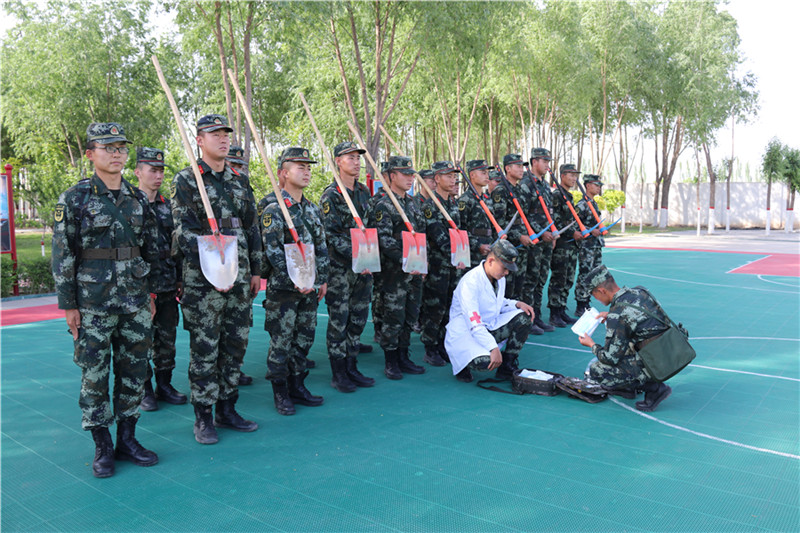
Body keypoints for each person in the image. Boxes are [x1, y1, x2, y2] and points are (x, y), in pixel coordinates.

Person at [52, 122, 161, 478]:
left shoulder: (137, 198)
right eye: (107, 147)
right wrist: (69, 305)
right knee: (94, 376)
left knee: (134, 372)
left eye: (120, 148)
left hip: (133, 301)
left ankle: (128, 440)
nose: (116, 153)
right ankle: (102, 446)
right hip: (93, 304)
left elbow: (149, 250)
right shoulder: (74, 198)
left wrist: (150, 294)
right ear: (90, 154)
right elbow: (63, 254)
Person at [171, 114, 262, 444]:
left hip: (239, 279)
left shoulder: (239, 181)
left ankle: (227, 407)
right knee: (206, 348)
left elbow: (252, 227)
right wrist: (213, 263)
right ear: (200, 140)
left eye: (225, 134)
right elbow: (183, 231)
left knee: (235, 345)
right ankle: (203, 416)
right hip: (204, 281)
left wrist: (256, 270)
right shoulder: (187, 180)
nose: (223, 139)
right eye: (214, 134)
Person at [261, 147, 329, 415]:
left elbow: (321, 246)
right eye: (299, 166)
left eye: (308, 166)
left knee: (304, 338)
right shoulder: (274, 209)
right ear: (283, 173)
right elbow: (273, 250)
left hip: (309, 288)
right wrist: (296, 277)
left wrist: (321, 278)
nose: (306, 171)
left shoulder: (311, 209)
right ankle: (280, 391)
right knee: (282, 340)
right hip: (284, 290)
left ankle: (298, 385)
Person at [133, 147, 187, 411]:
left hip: (166, 285)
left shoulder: (167, 206)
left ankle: (164, 385)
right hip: (141, 288)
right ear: (137, 172)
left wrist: (178, 278)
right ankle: (144, 389)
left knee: (167, 339)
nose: (158, 175)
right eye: (152, 170)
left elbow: (175, 247)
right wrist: (144, 292)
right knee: (141, 340)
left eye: (161, 170)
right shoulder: (130, 205)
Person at [319, 141, 375, 393]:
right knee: (339, 320)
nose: (356, 161)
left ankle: (352, 365)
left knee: (358, 318)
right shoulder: (331, 195)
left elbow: (370, 227)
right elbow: (330, 234)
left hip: (365, 268)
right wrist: (357, 255)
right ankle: (338, 371)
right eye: (349, 157)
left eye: (357, 157)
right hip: (341, 269)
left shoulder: (363, 192)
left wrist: (370, 257)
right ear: (337, 162)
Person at [578, 264, 673, 412]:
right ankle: (628, 389)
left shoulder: (618, 313)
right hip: (670, 350)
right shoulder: (639, 291)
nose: (594, 298)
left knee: (597, 370)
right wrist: (610, 316)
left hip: (658, 362)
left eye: (593, 294)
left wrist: (591, 345)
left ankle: (655, 388)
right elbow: (639, 318)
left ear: (601, 290)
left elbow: (610, 358)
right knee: (625, 346)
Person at [367, 155, 426, 379]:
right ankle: (391, 360)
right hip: (394, 273)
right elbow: (384, 240)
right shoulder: (383, 204)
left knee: (411, 314)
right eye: (405, 174)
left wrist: (421, 261)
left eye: (412, 174)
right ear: (392, 176)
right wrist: (405, 261)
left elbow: (420, 235)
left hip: (415, 271)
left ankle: (404, 355)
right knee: (394, 315)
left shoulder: (411, 203)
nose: (410, 178)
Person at [444, 240, 534, 383]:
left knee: (524, 318)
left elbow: (495, 302)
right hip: (466, 332)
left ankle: (506, 366)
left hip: (487, 326)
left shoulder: (498, 276)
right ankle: (463, 366)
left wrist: (516, 304)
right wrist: (493, 348)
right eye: (504, 268)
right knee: (486, 363)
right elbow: (474, 323)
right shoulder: (471, 282)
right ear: (491, 261)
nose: (506, 272)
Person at [419, 160, 467, 367]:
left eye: (454, 175)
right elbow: (439, 237)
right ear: (436, 179)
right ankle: (430, 347)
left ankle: (442, 344)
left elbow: (460, 233)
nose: (453, 179)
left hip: (455, 266)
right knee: (435, 308)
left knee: (450, 307)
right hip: (438, 266)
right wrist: (459, 254)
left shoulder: (453, 204)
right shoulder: (430, 205)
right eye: (448, 176)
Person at [522, 148, 558, 335]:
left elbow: (548, 212)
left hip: (546, 240)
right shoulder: (526, 184)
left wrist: (552, 232)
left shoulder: (543, 185)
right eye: (544, 161)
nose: (547, 165)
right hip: (534, 241)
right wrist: (539, 232)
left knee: (541, 279)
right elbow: (524, 215)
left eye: (548, 161)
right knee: (530, 280)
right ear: (534, 162)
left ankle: (537, 315)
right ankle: (528, 320)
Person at [547, 163, 583, 328]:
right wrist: (571, 233)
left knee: (568, 278)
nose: (574, 178)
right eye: (570, 175)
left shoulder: (568, 195)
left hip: (571, 245)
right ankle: (554, 313)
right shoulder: (556, 195)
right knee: (559, 278)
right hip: (562, 244)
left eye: (575, 175)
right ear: (562, 176)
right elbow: (555, 220)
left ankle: (561, 309)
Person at [491, 154, 530, 300]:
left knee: (521, 284)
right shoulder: (501, 190)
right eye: (518, 166)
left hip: (523, 243)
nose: (522, 169)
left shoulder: (519, 189)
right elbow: (500, 223)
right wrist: (518, 236)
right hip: (509, 244)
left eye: (522, 166)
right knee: (507, 287)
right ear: (507, 168)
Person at [574, 174, 605, 316]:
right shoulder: (582, 205)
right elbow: (575, 224)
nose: (598, 188)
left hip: (595, 245)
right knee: (585, 274)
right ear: (587, 185)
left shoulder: (593, 203)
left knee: (594, 274)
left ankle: (587, 301)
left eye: (599, 185)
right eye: (596, 185)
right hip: (586, 245)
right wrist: (592, 231)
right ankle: (581, 303)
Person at [457, 160, 495, 267]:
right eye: (483, 173)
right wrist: (477, 245)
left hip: (489, 248)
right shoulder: (465, 200)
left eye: (487, 173)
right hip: (472, 252)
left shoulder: (487, 199)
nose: (487, 176)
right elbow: (461, 230)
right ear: (472, 175)